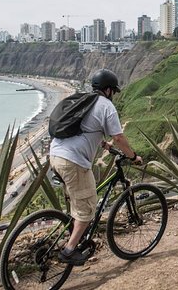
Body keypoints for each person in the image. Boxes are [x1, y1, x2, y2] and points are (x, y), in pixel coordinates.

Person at [49, 68, 142, 266]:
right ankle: (69, 250)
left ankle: (75, 234)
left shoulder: (83, 100)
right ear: (108, 90)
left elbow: (83, 129)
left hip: (55, 155)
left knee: (79, 203)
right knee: (88, 208)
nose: (113, 95)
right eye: (113, 92)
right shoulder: (106, 106)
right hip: (73, 162)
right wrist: (133, 157)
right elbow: (118, 137)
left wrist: (103, 144)